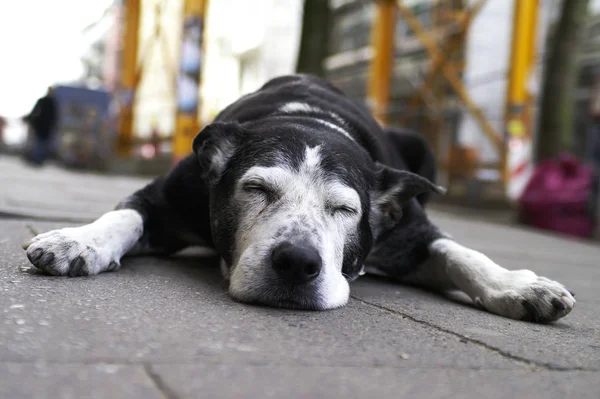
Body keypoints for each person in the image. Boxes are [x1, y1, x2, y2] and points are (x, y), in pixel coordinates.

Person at [23, 86, 58, 165]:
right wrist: (29, 118)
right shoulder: (43, 101)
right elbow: (35, 110)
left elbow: (54, 116)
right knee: (39, 143)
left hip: (46, 127)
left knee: (43, 143)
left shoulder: (53, 103)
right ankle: (36, 159)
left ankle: (39, 159)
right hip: (40, 126)